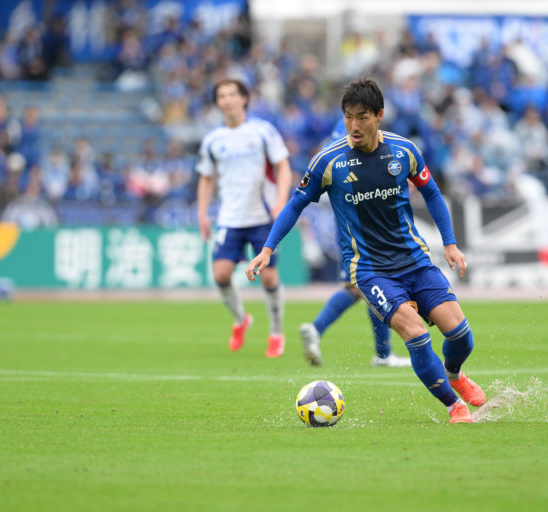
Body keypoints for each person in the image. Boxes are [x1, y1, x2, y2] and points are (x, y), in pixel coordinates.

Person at [247, 78, 486, 423]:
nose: (354, 125)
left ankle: (454, 374)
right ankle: (454, 406)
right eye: (348, 117)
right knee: (415, 332)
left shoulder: (404, 151)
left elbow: (432, 193)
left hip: (415, 261)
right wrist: (268, 249)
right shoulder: (328, 161)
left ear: (379, 116)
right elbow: (296, 204)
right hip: (370, 270)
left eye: (362, 117)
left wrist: (450, 243)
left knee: (461, 337)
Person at [299, 116, 411, 368]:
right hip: (362, 220)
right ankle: (380, 353)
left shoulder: (339, 130)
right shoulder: (356, 128)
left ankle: (382, 353)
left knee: (364, 285)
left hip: (346, 220)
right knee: (373, 281)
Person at [197, 78, 293, 357]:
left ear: (244, 99)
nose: (227, 100)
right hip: (229, 218)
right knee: (221, 275)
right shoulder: (213, 140)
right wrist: (202, 214)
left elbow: (283, 166)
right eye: (221, 96)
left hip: (262, 216)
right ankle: (241, 319)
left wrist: (281, 200)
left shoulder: (263, 131)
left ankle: (276, 332)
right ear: (217, 103)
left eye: (232, 94)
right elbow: (205, 178)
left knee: (269, 278)